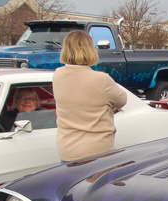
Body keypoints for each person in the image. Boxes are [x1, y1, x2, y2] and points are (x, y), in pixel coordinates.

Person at [52, 30, 127, 161]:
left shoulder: (57, 75)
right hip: (97, 152)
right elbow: (122, 100)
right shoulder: (101, 79)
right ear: (91, 50)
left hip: (67, 151)